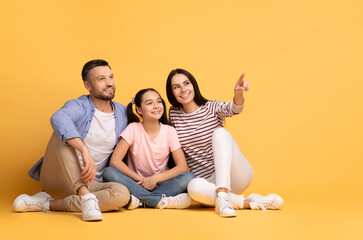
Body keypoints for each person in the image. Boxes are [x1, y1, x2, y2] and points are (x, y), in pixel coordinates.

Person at [13, 59, 131, 221]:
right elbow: (59, 117)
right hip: (58, 179)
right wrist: (83, 149)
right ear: (88, 85)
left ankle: (47, 204)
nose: (109, 83)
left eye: (111, 77)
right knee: (63, 134)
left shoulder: (122, 113)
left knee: (122, 194)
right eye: (101, 79)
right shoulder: (79, 105)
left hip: (92, 182)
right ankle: (86, 198)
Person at [166, 68, 284, 217]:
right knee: (193, 187)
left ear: (193, 85)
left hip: (235, 175)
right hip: (208, 184)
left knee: (220, 133)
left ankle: (222, 197)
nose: (183, 89)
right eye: (176, 87)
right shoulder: (174, 114)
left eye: (186, 83)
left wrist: (238, 95)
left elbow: (234, 109)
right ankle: (247, 202)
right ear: (172, 93)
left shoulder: (211, 107)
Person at [102, 88, 195, 209]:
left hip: (160, 184)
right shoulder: (133, 128)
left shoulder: (169, 131)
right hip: (135, 183)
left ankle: (141, 200)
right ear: (139, 110)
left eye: (158, 102)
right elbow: (115, 161)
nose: (156, 106)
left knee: (189, 178)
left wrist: (154, 179)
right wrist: (143, 180)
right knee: (109, 172)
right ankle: (159, 201)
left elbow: (182, 167)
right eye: (149, 103)